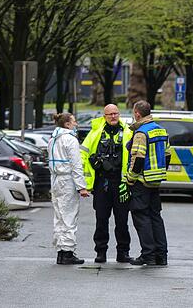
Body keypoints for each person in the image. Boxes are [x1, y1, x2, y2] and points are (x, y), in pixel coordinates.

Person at [81, 104, 133, 263]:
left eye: (116, 113)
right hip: (102, 182)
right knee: (101, 219)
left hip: (121, 182)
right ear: (104, 116)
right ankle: (101, 252)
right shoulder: (95, 133)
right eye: (110, 114)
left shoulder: (128, 132)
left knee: (122, 220)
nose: (113, 116)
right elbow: (83, 155)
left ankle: (123, 252)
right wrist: (93, 167)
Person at [126, 100, 172, 266]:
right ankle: (161, 256)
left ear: (137, 114)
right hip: (155, 180)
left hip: (142, 181)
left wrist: (130, 179)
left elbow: (138, 159)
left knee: (141, 218)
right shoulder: (161, 130)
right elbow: (167, 155)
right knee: (155, 217)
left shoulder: (141, 133)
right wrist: (159, 172)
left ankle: (148, 255)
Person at [48, 112, 89, 265]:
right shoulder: (70, 140)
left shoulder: (52, 139)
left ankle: (61, 251)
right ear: (67, 124)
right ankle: (67, 252)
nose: (76, 124)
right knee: (69, 216)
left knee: (59, 216)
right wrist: (81, 187)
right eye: (74, 121)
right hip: (67, 180)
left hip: (55, 180)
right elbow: (76, 165)